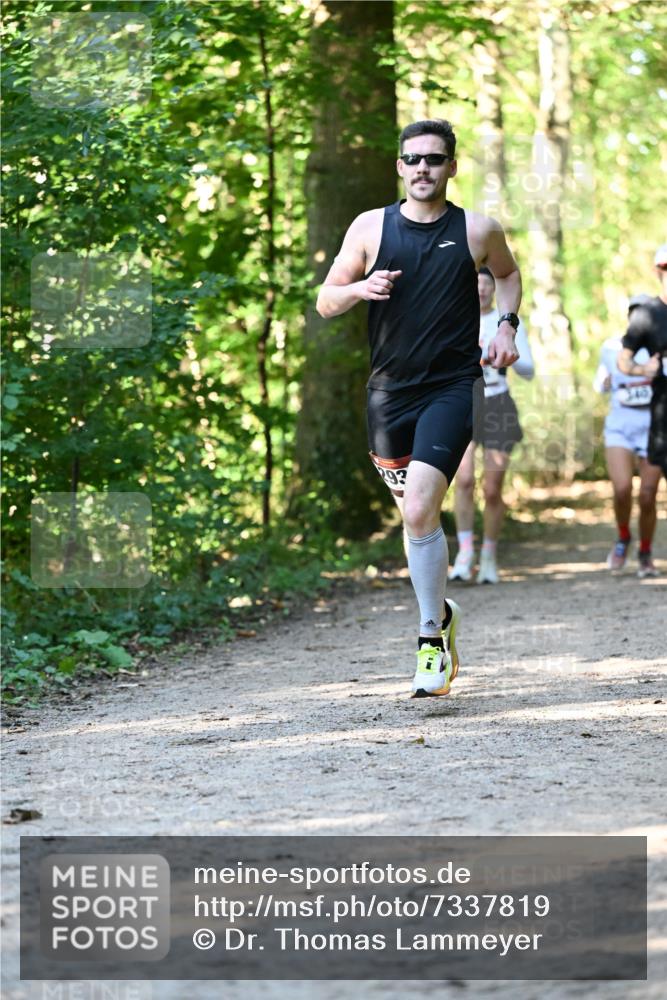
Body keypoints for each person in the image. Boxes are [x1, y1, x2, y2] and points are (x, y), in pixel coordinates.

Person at [315, 119, 522, 697]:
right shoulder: (369, 228)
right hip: (387, 393)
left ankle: (431, 639)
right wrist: (360, 289)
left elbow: (507, 275)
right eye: (413, 159)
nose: (423, 168)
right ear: (400, 168)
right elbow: (326, 300)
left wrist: (506, 326)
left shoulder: (478, 230)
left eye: (435, 159)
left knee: (418, 511)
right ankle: (444, 613)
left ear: (452, 166)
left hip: (453, 385)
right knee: (416, 515)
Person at [449, 266, 534, 584]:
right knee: (465, 479)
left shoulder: (507, 323)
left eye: (488, 284)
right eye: (477, 284)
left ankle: (489, 556)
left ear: (495, 289)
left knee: (492, 488)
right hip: (464, 403)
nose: (482, 289)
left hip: (498, 404)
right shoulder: (457, 318)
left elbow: (529, 370)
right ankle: (464, 553)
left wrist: (506, 353)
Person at [594, 294, 662, 577]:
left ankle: (645, 552)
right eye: (635, 313)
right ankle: (623, 537)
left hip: (654, 427)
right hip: (620, 426)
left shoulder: (661, 346)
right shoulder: (612, 347)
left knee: (647, 496)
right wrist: (605, 381)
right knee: (622, 490)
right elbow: (600, 383)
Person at [617, 242, 667, 574]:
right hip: (662, 418)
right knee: (646, 492)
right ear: (658, 271)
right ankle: (641, 549)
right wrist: (643, 369)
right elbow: (624, 360)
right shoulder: (647, 314)